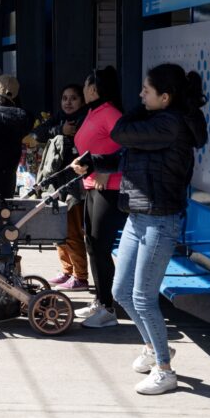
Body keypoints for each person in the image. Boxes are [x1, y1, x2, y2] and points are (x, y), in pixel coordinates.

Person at [72, 64, 207, 395]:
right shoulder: (158, 120)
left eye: (146, 91)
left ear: (166, 97)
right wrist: (95, 164)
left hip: (159, 220)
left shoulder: (169, 124)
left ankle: (165, 369)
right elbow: (129, 157)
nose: (140, 95)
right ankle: (154, 346)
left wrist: (135, 109)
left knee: (143, 298)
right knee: (121, 292)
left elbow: (120, 133)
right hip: (138, 214)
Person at [74, 66, 126, 328]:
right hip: (92, 186)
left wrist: (108, 170)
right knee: (92, 245)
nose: (83, 90)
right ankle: (101, 299)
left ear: (93, 89)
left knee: (101, 247)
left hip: (110, 188)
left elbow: (130, 146)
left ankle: (108, 309)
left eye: (85, 86)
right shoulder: (94, 111)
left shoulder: (111, 114)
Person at [33, 84, 89, 291]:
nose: (68, 102)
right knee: (58, 230)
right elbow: (37, 134)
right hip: (57, 185)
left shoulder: (85, 120)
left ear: (82, 101)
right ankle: (67, 271)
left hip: (74, 186)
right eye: (65, 98)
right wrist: (60, 130)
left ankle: (80, 277)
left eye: (73, 98)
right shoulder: (59, 118)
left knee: (72, 231)